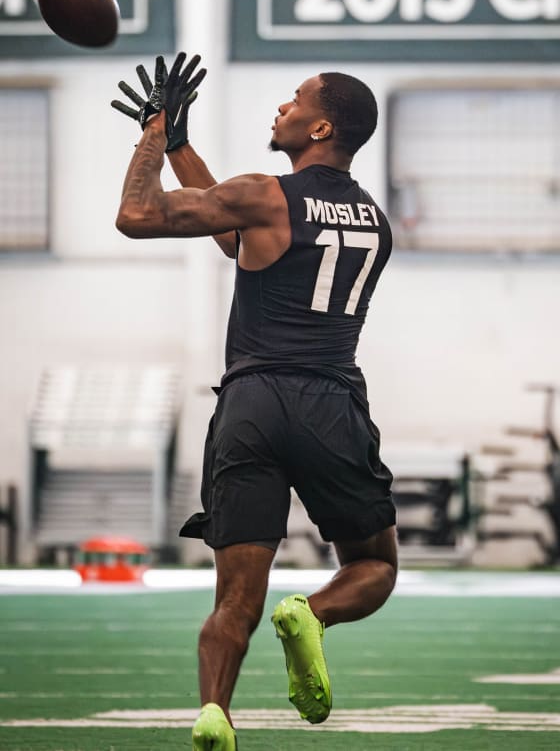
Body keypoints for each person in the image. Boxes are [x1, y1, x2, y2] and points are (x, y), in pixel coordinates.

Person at [112, 54, 398, 751]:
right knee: (374, 565)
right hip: (331, 401)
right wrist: (184, 145)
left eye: (296, 100)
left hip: (251, 404)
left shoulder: (265, 193)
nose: (283, 107)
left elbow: (137, 214)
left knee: (235, 595)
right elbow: (235, 232)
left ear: (322, 124)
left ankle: (215, 712)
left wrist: (153, 133)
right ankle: (311, 610)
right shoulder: (373, 219)